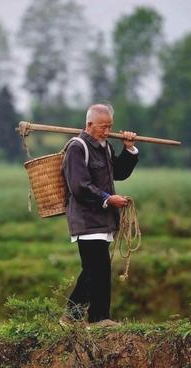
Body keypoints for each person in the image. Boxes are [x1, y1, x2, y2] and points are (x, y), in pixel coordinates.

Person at [60, 104, 138, 327]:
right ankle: (98, 318)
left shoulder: (105, 146)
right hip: (86, 220)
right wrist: (107, 198)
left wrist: (129, 149)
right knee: (98, 268)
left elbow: (119, 173)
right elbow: (79, 186)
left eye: (110, 127)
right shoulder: (77, 147)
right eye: (103, 127)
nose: (106, 132)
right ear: (89, 125)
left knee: (94, 270)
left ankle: (74, 317)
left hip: (103, 220)